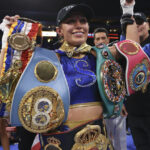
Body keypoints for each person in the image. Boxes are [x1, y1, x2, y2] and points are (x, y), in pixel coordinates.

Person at [0, 2, 146, 150]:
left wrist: (128, 9)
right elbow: (9, 71)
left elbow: (132, 50)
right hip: (57, 142)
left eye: (83, 21)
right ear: (59, 30)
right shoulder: (46, 59)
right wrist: (9, 34)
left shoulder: (100, 55)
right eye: (71, 21)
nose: (78, 25)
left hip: (98, 140)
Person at [120, 0, 150, 149]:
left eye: (141, 22)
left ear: (148, 25)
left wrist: (128, 11)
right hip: (134, 111)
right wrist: (122, 101)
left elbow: (136, 52)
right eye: (134, 23)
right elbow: (121, 73)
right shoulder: (123, 46)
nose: (137, 25)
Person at [93, 27, 128, 150]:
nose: (101, 41)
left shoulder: (115, 54)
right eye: (98, 39)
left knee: (120, 142)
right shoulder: (90, 55)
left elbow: (121, 79)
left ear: (108, 39)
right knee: (102, 142)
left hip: (116, 104)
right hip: (98, 107)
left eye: (103, 38)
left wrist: (122, 102)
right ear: (94, 41)